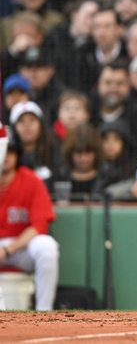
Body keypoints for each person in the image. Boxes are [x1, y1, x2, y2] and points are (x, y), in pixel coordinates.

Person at [0, 130, 59, 311]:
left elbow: (39, 225)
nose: (6, 156)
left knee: (47, 246)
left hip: (20, 247)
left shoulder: (31, 180)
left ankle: (44, 312)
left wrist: (8, 250)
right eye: (3, 150)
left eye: (11, 151)